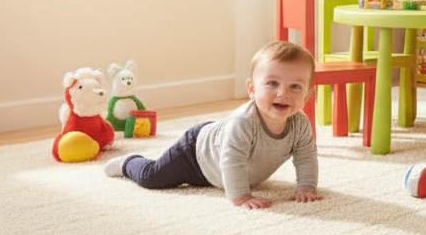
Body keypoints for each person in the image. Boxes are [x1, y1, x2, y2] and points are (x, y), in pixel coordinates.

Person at [104, 40, 323, 208]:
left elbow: (306, 156)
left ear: (307, 96)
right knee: (152, 177)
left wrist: (306, 186)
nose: (283, 93)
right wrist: (241, 196)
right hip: (196, 154)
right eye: (272, 83)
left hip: (219, 160)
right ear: (252, 89)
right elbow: (232, 160)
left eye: (295, 87)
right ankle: (127, 162)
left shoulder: (300, 124)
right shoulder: (244, 123)